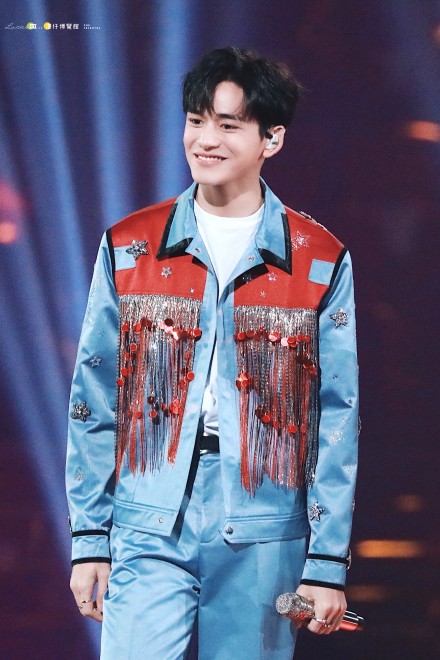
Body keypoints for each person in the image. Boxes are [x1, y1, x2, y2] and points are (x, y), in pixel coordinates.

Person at [66, 46, 358, 659]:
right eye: (196, 120)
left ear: (271, 139)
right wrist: (90, 538)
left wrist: (327, 561)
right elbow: (93, 396)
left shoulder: (318, 257)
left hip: (265, 528)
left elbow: (336, 414)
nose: (205, 140)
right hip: (148, 516)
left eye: (227, 125)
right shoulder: (131, 246)